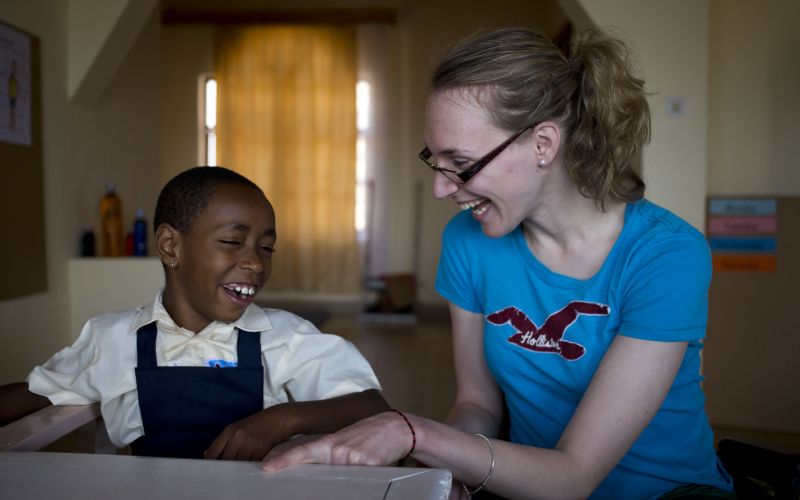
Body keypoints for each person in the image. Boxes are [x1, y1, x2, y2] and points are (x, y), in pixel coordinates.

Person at [261, 27, 735, 499]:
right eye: (436, 159)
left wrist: (416, 433)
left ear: (544, 144)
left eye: (461, 161)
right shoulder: (468, 242)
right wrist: (452, 475)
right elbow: (477, 404)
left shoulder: (665, 255)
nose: (442, 188)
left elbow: (573, 476)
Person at [0, 166, 389, 460]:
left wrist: (283, 419)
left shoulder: (285, 338)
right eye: (232, 242)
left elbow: (371, 406)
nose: (254, 262)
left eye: (265, 248)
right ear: (171, 246)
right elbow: (38, 394)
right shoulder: (114, 338)